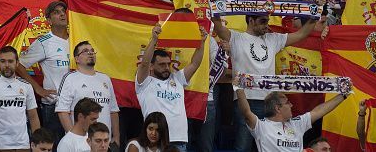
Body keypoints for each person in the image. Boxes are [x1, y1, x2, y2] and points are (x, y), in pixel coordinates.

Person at [213, 13, 321, 152]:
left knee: (272, 146)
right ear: (251, 20)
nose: (267, 25)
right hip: (245, 101)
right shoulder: (236, 38)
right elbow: (217, 25)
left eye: (268, 21)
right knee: (243, 147)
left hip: (270, 102)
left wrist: (315, 14)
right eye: (263, 21)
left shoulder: (273, 38)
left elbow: (301, 34)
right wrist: (216, 7)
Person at [135, 13, 207, 150]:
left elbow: (195, 63)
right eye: (161, 65)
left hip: (179, 141)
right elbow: (144, 64)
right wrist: (154, 40)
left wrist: (201, 42)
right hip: (155, 140)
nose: (166, 68)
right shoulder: (144, 83)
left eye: (168, 64)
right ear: (151, 66)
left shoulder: (177, 78)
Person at [17, 1, 70, 139]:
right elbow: (18, 65)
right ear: (48, 20)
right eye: (56, 12)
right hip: (54, 106)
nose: (62, 14)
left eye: (63, 11)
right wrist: (37, 89)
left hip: (77, 105)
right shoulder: (43, 42)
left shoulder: (77, 39)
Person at [235, 88, 347, 152]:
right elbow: (246, 113)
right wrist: (239, 89)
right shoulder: (262, 126)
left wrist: (343, 95)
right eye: (288, 102)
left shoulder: (297, 123)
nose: (292, 105)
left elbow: (319, 111)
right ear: (278, 108)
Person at [0, 46, 40, 152]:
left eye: (10, 61)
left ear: (17, 63)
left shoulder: (26, 86)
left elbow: (33, 117)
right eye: (3, 61)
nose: (7, 65)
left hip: (23, 146)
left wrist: (37, 145)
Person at [56, 41, 120, 147]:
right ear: (76, 59)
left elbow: (113, 111)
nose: (90, 53)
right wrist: (73, 138)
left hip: (104, 143)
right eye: (85, 51)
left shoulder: (105, 79)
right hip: (81, 142)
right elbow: (62, 111)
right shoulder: (70, 78)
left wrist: (116, 137)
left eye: (92, 51)